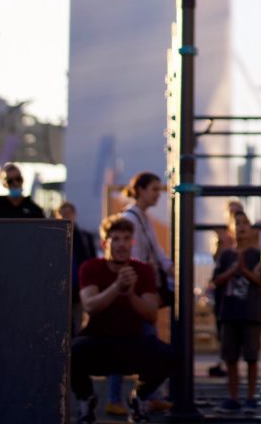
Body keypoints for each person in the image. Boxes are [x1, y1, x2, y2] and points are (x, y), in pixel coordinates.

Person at [71, 214, 173, 424]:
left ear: (132, 243)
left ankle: (140, 398)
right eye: (116, 239)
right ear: (104, 243)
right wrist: (116, 287)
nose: (122, 244)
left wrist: (131, 294)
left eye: (126, 239)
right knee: (70, 353)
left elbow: (151, 314)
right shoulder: (90, 267)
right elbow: (90, 305)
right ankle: (86, 399)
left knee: (168, 355)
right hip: (97, 341)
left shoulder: (142, 271)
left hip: (131, 341)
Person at [105, 171, 173, 414]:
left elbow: (157, 252)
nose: (158, 194)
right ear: (141, 190)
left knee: (137, 341)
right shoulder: (133, 219)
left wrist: (169, 269)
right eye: (154, 189)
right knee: (135, 341)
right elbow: (136, 255)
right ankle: (129, 397)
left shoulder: (142, 217)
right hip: (135, 287)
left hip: (142, 286)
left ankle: (138, 395)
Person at [213, 207, 261, 412]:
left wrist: (243, 271)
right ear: (231, 230)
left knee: (252, 357)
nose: (241, 228)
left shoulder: (258, 254)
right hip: (230, 312)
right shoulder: (225, 256)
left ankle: (251, 397)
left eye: (245, 224)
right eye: (237, 224)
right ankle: (233, 397)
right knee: (230, 358)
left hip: (251, 313)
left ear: (251, 230)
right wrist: (234, 270)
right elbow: (216, 280)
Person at [57, 200, 98, 334]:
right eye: (63, 214)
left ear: (74, 214)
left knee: (78, 324)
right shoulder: (54, 238)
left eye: (68, 213)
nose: (66, 217)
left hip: (80, 289)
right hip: (60, 289)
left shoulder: (84, 238)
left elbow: (91, 261)